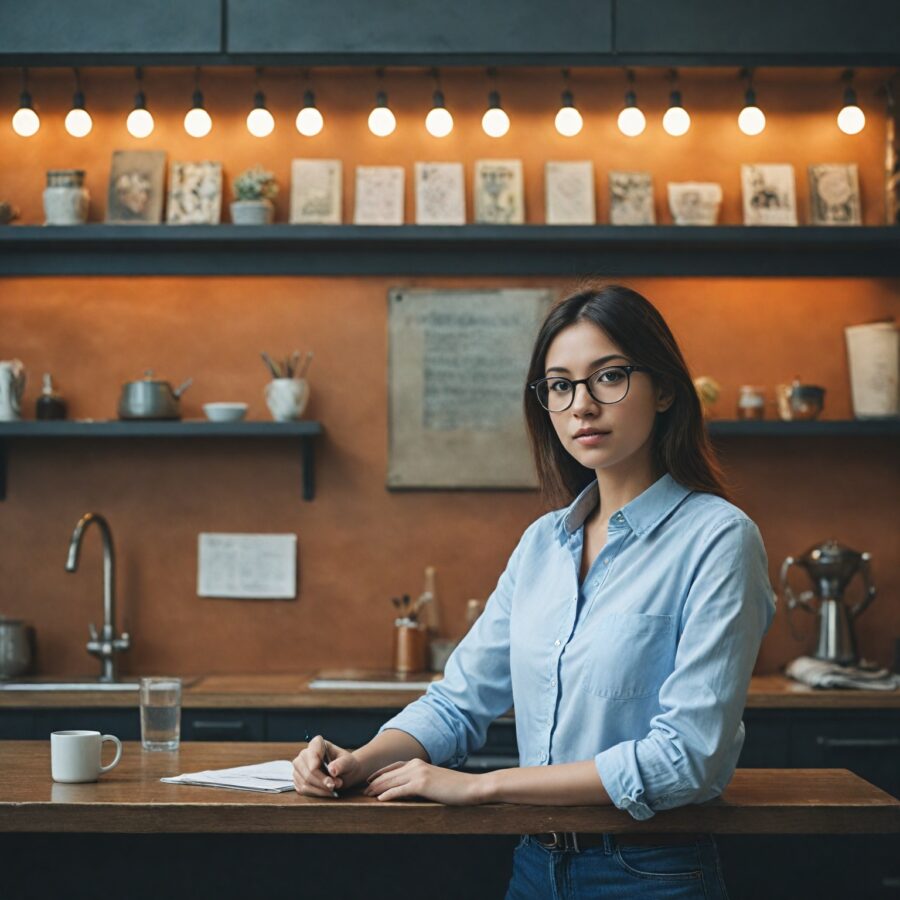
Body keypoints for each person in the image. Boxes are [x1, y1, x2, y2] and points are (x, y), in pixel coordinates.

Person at [293, 283, 775, 898]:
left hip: (651, 871)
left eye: (609, 377)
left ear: (666, 390)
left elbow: (685, 760)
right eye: (560, 384)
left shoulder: (719, 539)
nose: (582, 405)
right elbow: (458, 701)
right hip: (533, 866)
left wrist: (483, 785)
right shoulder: (544, 543)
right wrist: (361, 760)